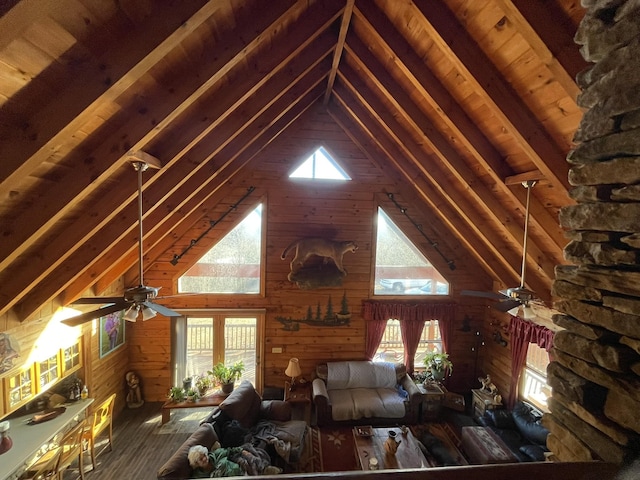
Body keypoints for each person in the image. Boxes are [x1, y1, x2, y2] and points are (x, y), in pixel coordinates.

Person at [188, 442, 281, 477]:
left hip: (241, 470)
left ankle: (264, 469)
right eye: (201, 459)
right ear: (196, 463)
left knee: (248, 454)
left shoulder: (217, 454)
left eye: (204, 455)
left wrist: (243, 451)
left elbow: (230, 450)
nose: (205, 458)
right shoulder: (198, 476)